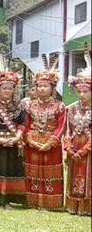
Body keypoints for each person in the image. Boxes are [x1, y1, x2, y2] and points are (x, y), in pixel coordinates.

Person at [23, 54, 65, 211]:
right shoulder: (29, 105)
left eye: (45, 86)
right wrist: (29, 139)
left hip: (51, 144)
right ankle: (32, 201)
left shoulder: (60, 106)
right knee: (32, 171)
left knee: (49, 172)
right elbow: (25, 125)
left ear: (52, 88)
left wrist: (50, 142)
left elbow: (61, 127)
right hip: (32, 143)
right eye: (39, 86)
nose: (41, 89)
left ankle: (50, 203)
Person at [0, 53, 27, 208]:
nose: (7, 90)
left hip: (14, 142)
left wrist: (17, 138)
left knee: (12, 169)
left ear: (14, 89)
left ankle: (9, 200)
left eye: (10, 88)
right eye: (4, 87)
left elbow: (23, 122)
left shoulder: (20, 105)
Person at [64, 50, 91, 216]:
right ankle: (74, 206)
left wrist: (84, 150)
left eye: (85, 92)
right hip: (74, 146)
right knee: (75, 175)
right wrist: (69, 148)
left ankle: (87, 207)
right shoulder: (72, 109)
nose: (81, 95)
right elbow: (68, 130)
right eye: (79, 92)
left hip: (88, 149)